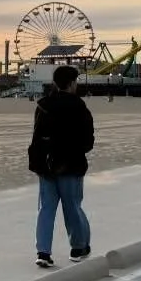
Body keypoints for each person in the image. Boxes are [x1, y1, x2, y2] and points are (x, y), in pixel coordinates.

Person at [29, 65, 95, 267]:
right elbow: (87, 142)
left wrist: (40, 161)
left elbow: (37, 137)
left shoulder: (43, 105)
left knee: (46, 208)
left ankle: (43, 252)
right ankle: (78, 248)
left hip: (46, 166)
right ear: (72, 83)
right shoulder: (79, 107)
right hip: (71, 165)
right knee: (73, 207)